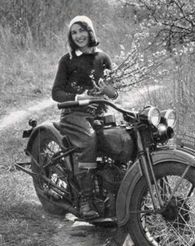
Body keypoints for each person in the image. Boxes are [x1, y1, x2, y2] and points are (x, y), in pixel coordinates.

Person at [51, 15, 118, 219]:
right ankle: (85, 200)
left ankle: (114, 189)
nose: (79, 35)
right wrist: (81, 96)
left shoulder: (103, 57)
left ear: (90, 31)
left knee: (121, 137)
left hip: (99, 112)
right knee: (89, 140)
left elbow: (115, 92)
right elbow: (56, 93)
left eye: (82, 30)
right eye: (74, 32)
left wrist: (108, 90)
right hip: (74, 113)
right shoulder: (68, 60)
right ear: (71, 36)